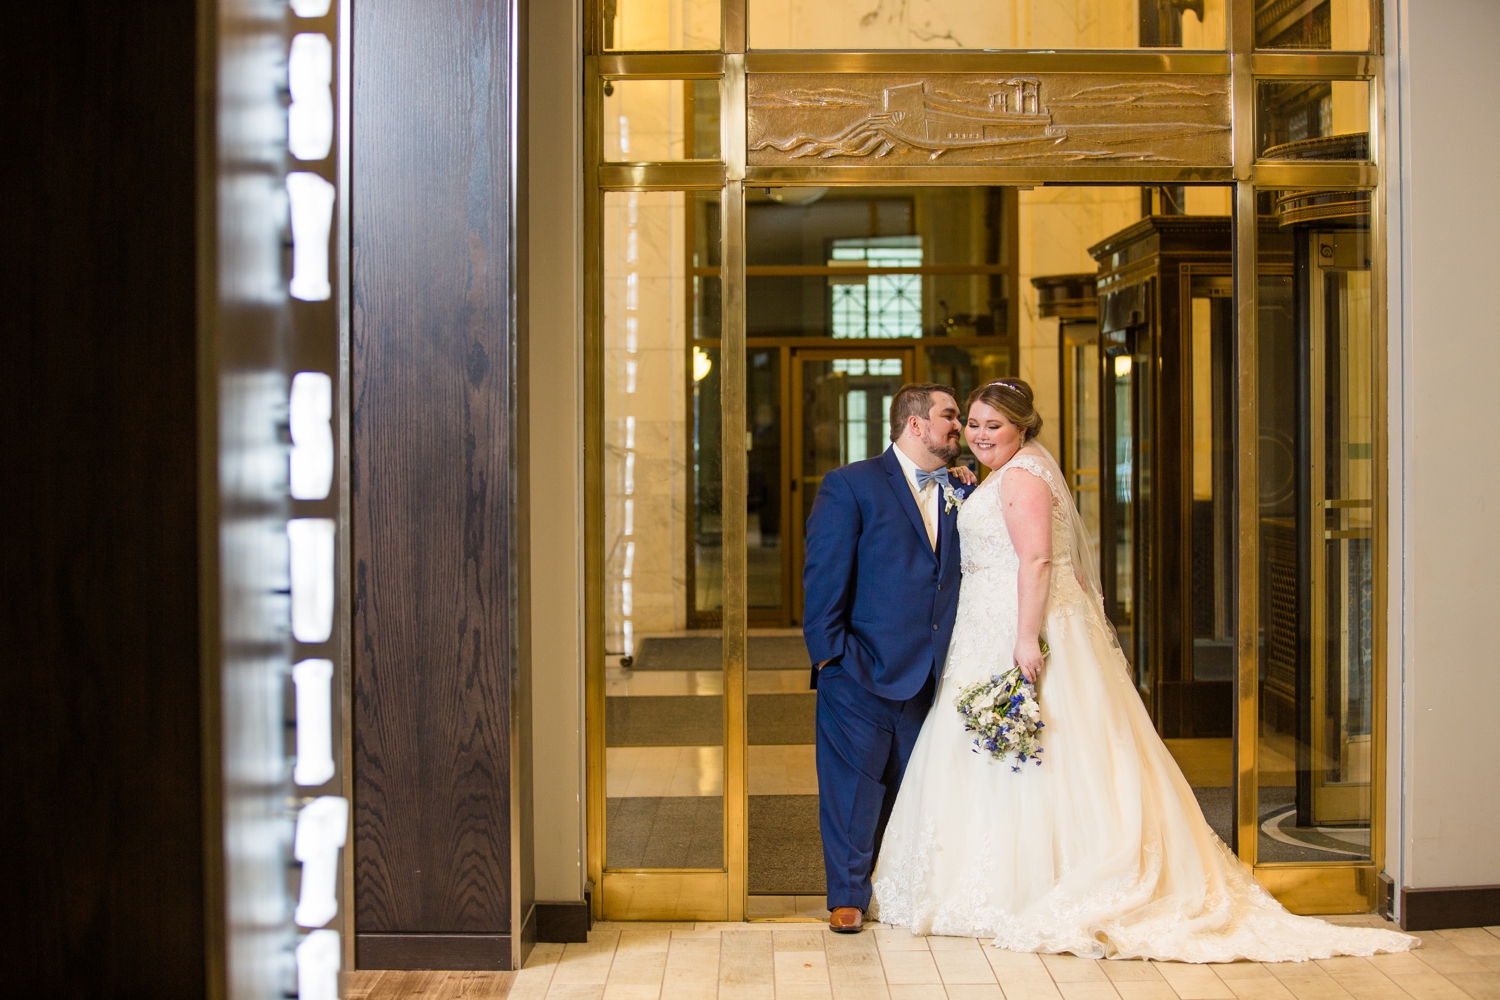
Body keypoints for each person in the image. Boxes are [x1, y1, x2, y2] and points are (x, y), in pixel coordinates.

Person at [870, 379, 1418, 961]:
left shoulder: (1023, 477)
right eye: (973, 425)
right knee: (1025, 753)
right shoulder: (1013, 472)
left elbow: (1036, 560)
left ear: (1022, 428)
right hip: (992, 627)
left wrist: (1027, 639)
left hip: (1016, 628)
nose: (979, 436)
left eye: (992, 426)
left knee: (1040, 752)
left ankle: (1025, 886)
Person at [802, 382, 975, 934]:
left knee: (919, 794)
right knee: (852, 792)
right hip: (861, 670)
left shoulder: (964, 490)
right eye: (951, 416)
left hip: (938, 676)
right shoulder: (850, 486)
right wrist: (832, 658)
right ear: (915, 424)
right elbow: (823, 580)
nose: (961, 426)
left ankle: (908, 892)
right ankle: (846, 898)